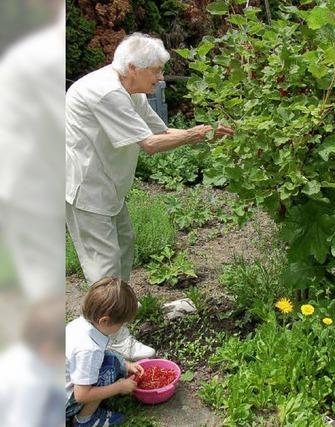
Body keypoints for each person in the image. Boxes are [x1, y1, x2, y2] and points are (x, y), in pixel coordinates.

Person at [65, 32, 234, 360]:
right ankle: (113, 336)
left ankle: (117, 306)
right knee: (104, 264)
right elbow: (151, 146)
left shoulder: (132, 91)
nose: (160, 77)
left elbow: (159, 131)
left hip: (110, 186)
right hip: (87, 189)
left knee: (124, 247)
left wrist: (205, 131)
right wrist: (195, 135)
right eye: (155, 71)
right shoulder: (106, 93)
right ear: (132, 67)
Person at [65, 277, 143, 427]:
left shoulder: (79, 325)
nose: (122, 327)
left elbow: (103, 354)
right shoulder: (88, 350)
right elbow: (82, 395)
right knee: (108, 372)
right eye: (121, 323)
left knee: (111, 359)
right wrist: (119, 387)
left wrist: (126, 365)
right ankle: (85, 420)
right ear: (104, 321)